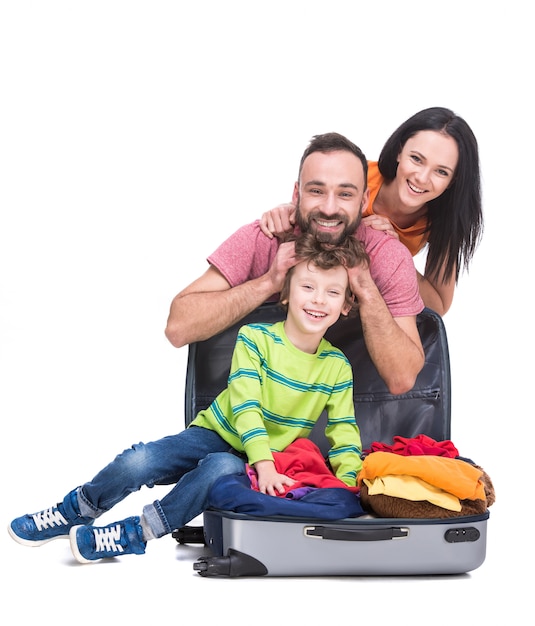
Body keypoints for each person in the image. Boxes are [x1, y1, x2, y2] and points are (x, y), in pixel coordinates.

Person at [8, 233, 365, 564]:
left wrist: (350, 488)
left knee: (220, 469)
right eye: (308, 287)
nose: (319, 300)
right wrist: (264, 462)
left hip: (261, 459)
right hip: (217, 432)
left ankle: (135, 533)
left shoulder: (336, 367)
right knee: (141, 460)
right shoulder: (255, 339)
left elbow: (344, 433)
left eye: (332, 292)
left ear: (346, 305)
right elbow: (245, 405)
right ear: (287, 292)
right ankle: (75, 509)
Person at [165, 132, 425, 395]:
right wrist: (268, 283)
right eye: (316, 191)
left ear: (364, 200)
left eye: (345, 194)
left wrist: (365, 288)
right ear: (296, 194)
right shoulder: (264, 238)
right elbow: (178, 328)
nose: (329, 207)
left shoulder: (388, 255)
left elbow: (401, 379)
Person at [259, 108, 483, 315]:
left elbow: (438, 306)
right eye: (416, 159)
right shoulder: (359, 175)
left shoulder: (444, 221)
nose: (422, 178)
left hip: (358, 306)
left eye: (441, 172)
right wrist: (287, 209)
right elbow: (314, 198)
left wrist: (397, 260)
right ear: (399, 151)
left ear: (454, 180)